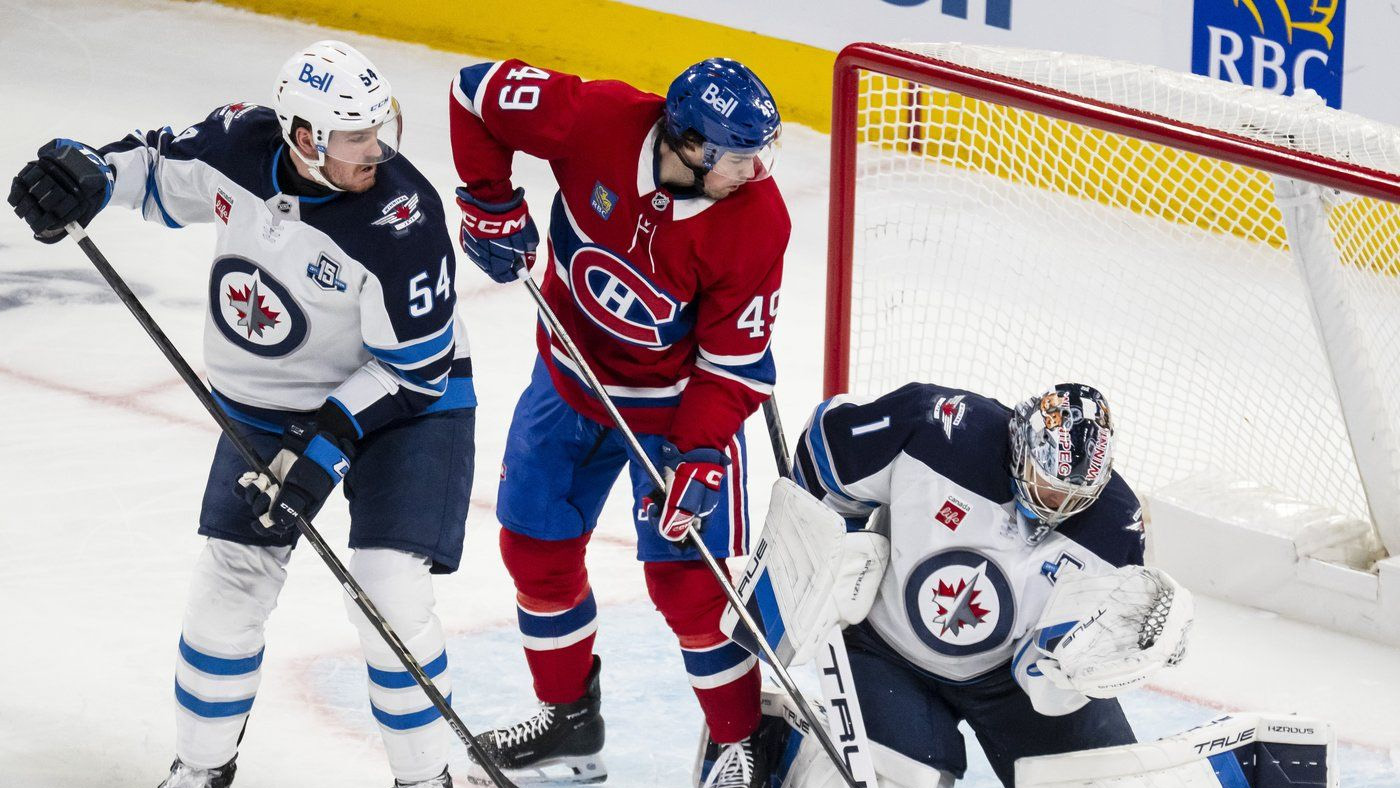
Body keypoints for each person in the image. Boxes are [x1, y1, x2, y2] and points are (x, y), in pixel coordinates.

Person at [9, 41, 475, 788]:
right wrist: (90, 175)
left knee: (389, 588)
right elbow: (157, 166)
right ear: (300, 137)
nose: (373, 150)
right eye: (352, 136)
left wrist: (324, 450)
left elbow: (415, 370)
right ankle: (199, 772)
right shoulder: (239, 142)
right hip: (267, 408)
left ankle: (427, 780)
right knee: (229, 583)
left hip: (405, 410)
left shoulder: (403, 222)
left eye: (376, 129)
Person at [447, 56, 790, 787]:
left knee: (689, 586)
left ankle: (743, 741)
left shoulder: (758, 221)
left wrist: (698, 454)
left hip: (674, 415)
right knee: (534, 551)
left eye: (760, 154)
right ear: (687, 144)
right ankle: (570, 727)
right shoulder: (595, 118)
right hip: (568, 384)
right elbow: (474, 93)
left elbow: (734, 364)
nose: (753, 171)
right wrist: (487, 199)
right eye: (735, 156)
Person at [779, 382, 1190, 787]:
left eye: (1072, 496)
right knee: (890, 779)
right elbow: (827, 448)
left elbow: (1070, 650)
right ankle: (776, 750)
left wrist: (1087, 663)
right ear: (1022, 442)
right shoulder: (936, 426)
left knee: (1102, 781)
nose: (1056, 505)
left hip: (1008, 684)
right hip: (885, 650)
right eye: (1047, 484)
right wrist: (828, 543)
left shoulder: (1116, 529)